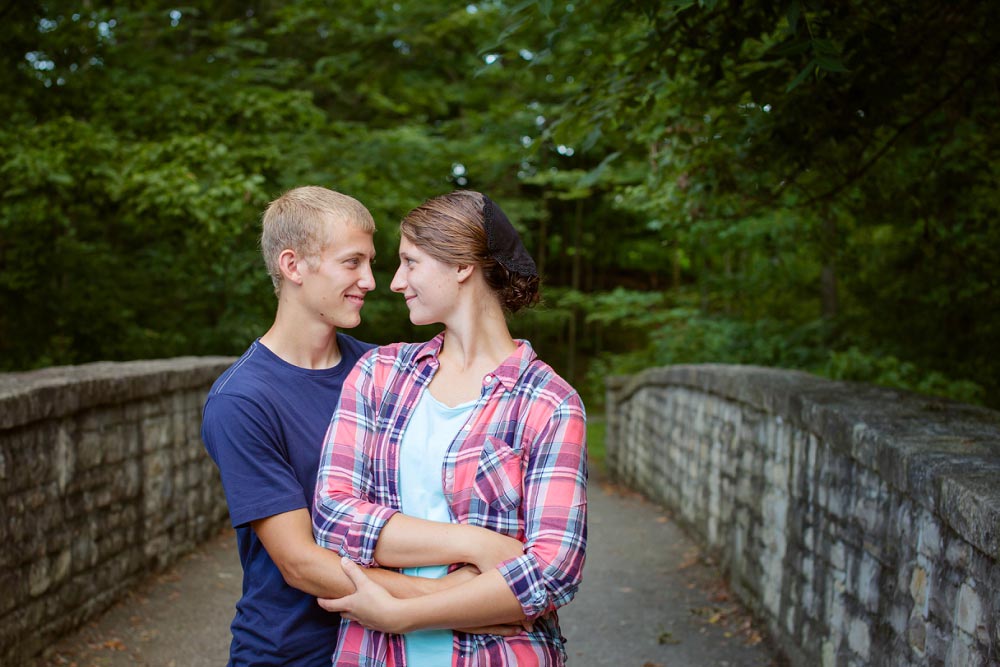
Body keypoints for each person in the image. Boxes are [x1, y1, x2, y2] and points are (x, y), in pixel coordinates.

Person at [201, 186, 507, 666]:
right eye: (352, 262)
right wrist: (449, 602)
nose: (370, 280)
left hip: (392, 650)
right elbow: (300, 563)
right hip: (295, 651)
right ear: (293, 265)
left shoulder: (383, 371)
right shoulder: (242, 400)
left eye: (372, 262)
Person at [312, 190, 588, 666]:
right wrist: (475, 545)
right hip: (375, 655)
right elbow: (335, 519)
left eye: (411, 262)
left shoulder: (549, 403)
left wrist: (404, 614)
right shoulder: (380, 374)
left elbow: (552, 571)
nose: (395, 282)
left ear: (462, 266)